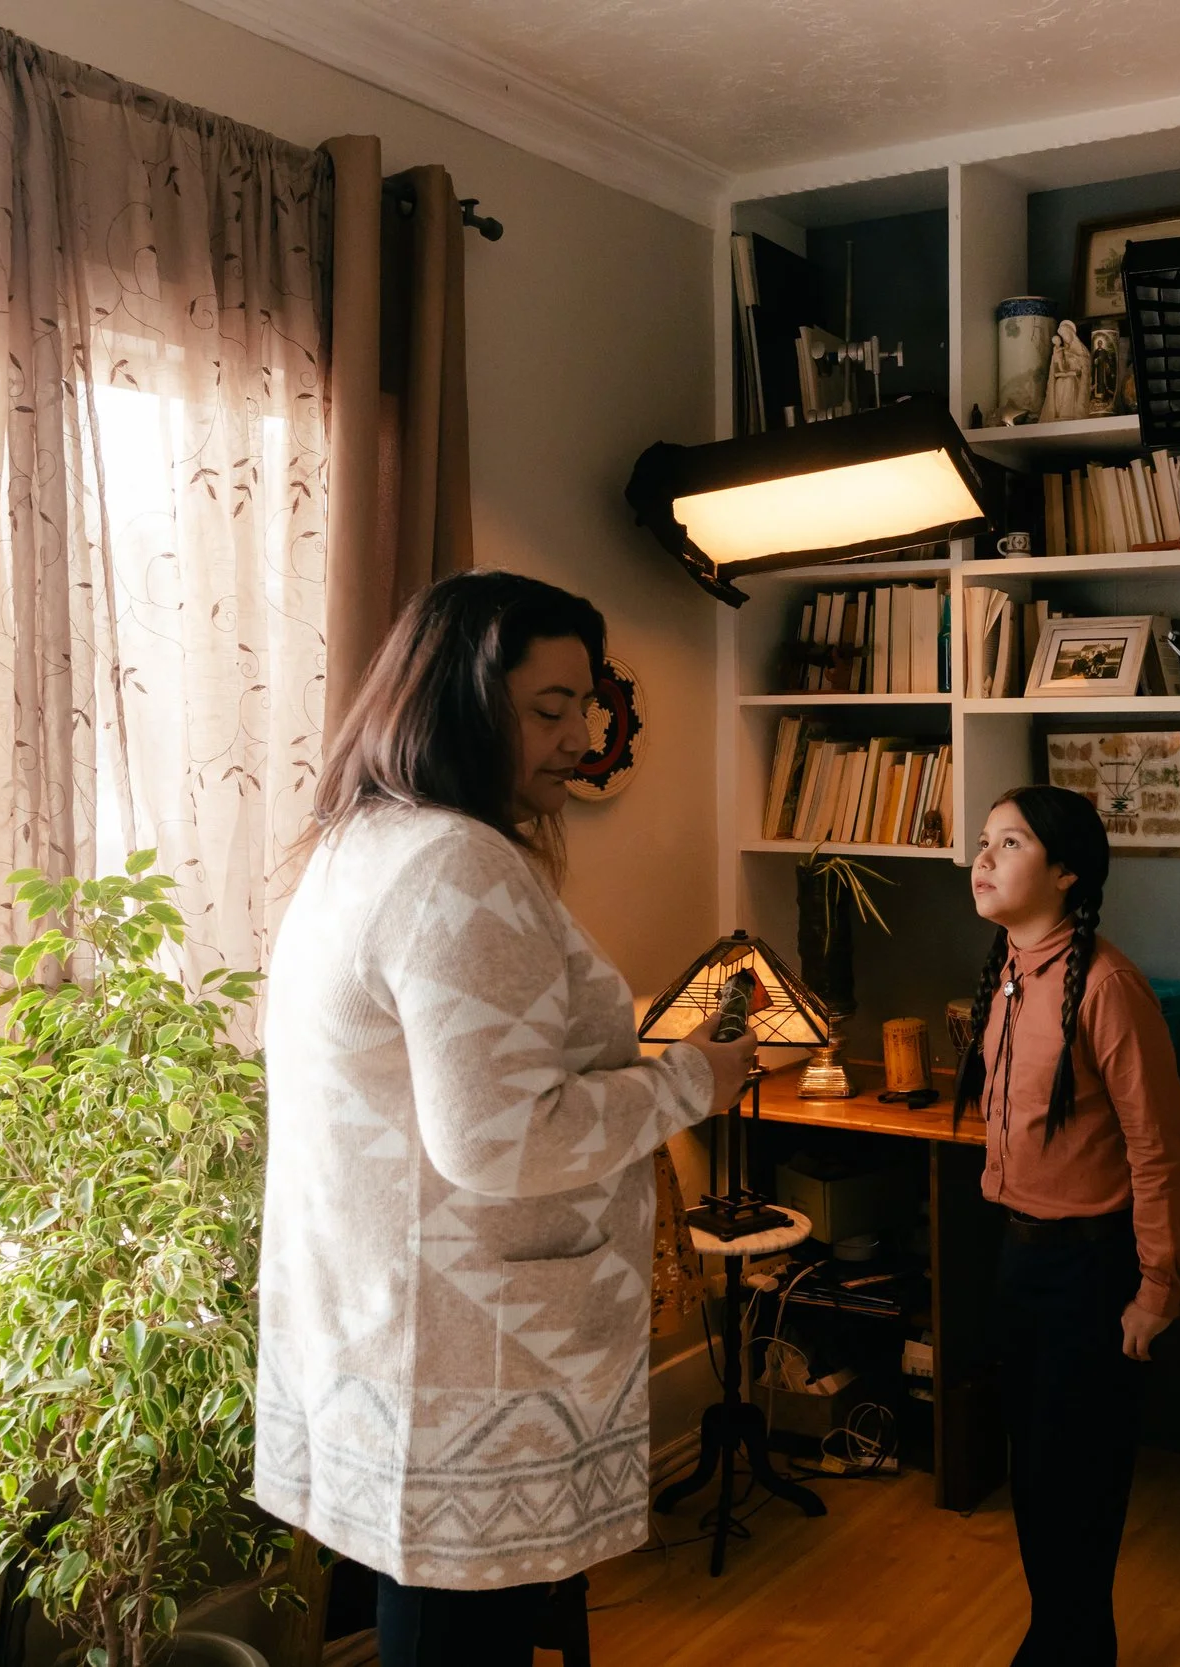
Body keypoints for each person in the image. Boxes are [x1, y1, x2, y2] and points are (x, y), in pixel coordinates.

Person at [255, 571, 756, 1667]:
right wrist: (692, 1081)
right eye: (548, 709)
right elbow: (501, 1137)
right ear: (459, 705)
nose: (580, 737)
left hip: (392, 1329)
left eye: (587, 706)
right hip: (465, 1354)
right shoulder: (456, 864)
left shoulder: (362, 840)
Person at [955, 785, 1180, 1667]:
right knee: (1034, 1475)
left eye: (1009, 843)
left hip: (1092, 1273)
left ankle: (1069, 1647)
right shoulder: (1010, 971)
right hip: (1020, 1259)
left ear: (1065, 872)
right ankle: (1061, 1641)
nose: (983, 859)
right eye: (985, 841)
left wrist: (1158, 1287)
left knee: (1078, 1486)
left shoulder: (1108, 986)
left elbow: (1159, 1147)